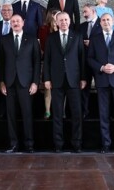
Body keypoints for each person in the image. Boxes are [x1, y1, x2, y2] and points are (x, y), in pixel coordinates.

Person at [43, 11, 86, 153]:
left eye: (66, 19)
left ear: (70, 21)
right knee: (57, 114)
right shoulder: (51, 38)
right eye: (60, 20)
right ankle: (58, 144)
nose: (64, 22)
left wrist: (83, 78)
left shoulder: (78, 36)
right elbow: (47, 60)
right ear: (56, 22)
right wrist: (47, 79)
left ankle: (77, 143)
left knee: (76, 113)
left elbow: (82, 59)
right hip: (56, 81)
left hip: (74, 80)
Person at [88, 13, 114, 153]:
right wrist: (101, 67)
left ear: (113, 22)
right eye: (103, 20)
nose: (106, 22)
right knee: (103, 114)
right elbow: (90, 58)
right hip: (102, 80)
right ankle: (106, 143)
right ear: (100, 23)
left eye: (108, 19)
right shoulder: (95, 39)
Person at [0, 14, 41, 153]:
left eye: (18, 21)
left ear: (23, 23)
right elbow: (1, 63)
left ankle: (29, 144)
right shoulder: (4, 40)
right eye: (13, 21)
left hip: (26, 83)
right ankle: (13, 144)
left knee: (27, 114)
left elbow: (37, 63)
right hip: (9, 83)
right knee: (11, 115)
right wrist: (2, 82)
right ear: (10, 24)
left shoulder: (32, 40)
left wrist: (35, 82)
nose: (15, 23)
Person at [80, 4, 102, 119]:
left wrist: (92, 44)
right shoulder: (81, 26)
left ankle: (102, 112)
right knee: (84, 88)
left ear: (93, 11)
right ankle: (85, 111)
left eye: (85, 12)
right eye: (83, 12)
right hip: (85, 62)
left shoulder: (102, 23)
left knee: (101, 88)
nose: (84, 15)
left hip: (99, 62)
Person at [38, 9, 60, 119]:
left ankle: (61, 111)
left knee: (61, 88)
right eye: (57, 15)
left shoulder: (63, 28)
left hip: (60, 62)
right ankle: (47, 110)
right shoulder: (44, 29)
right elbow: (43, 45)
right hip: (49, 61)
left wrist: (57, 28)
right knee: (48, 87)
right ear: (51, 17)